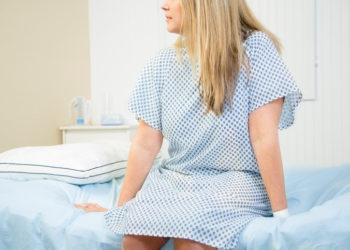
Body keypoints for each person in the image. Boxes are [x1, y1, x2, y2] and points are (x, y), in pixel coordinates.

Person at [74, 0, 302, 249]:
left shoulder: (255, 49)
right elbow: (144, 145)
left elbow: (263, 136)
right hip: (176, 180)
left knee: (193, 239)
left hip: (235, 180)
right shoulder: (161, 63)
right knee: (134, 241)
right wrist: (120, 210)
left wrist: (281, 216)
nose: (164, 6)